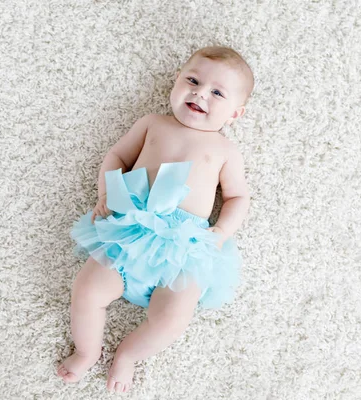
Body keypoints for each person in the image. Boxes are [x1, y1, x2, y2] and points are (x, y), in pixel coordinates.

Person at [57, 46, 253, 393]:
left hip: (183, 246)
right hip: (129, 228)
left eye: (217, 92)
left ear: (235, 114)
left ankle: (129, 354)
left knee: (173, 318)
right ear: (176, 81)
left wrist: (221, 232)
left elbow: (238, 197)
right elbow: (117, 155)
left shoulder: (225, 150)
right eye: (192, 80)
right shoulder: (152, 124)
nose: (199, 93)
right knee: (86, 290)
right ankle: (87, 351)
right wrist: (105, 194)